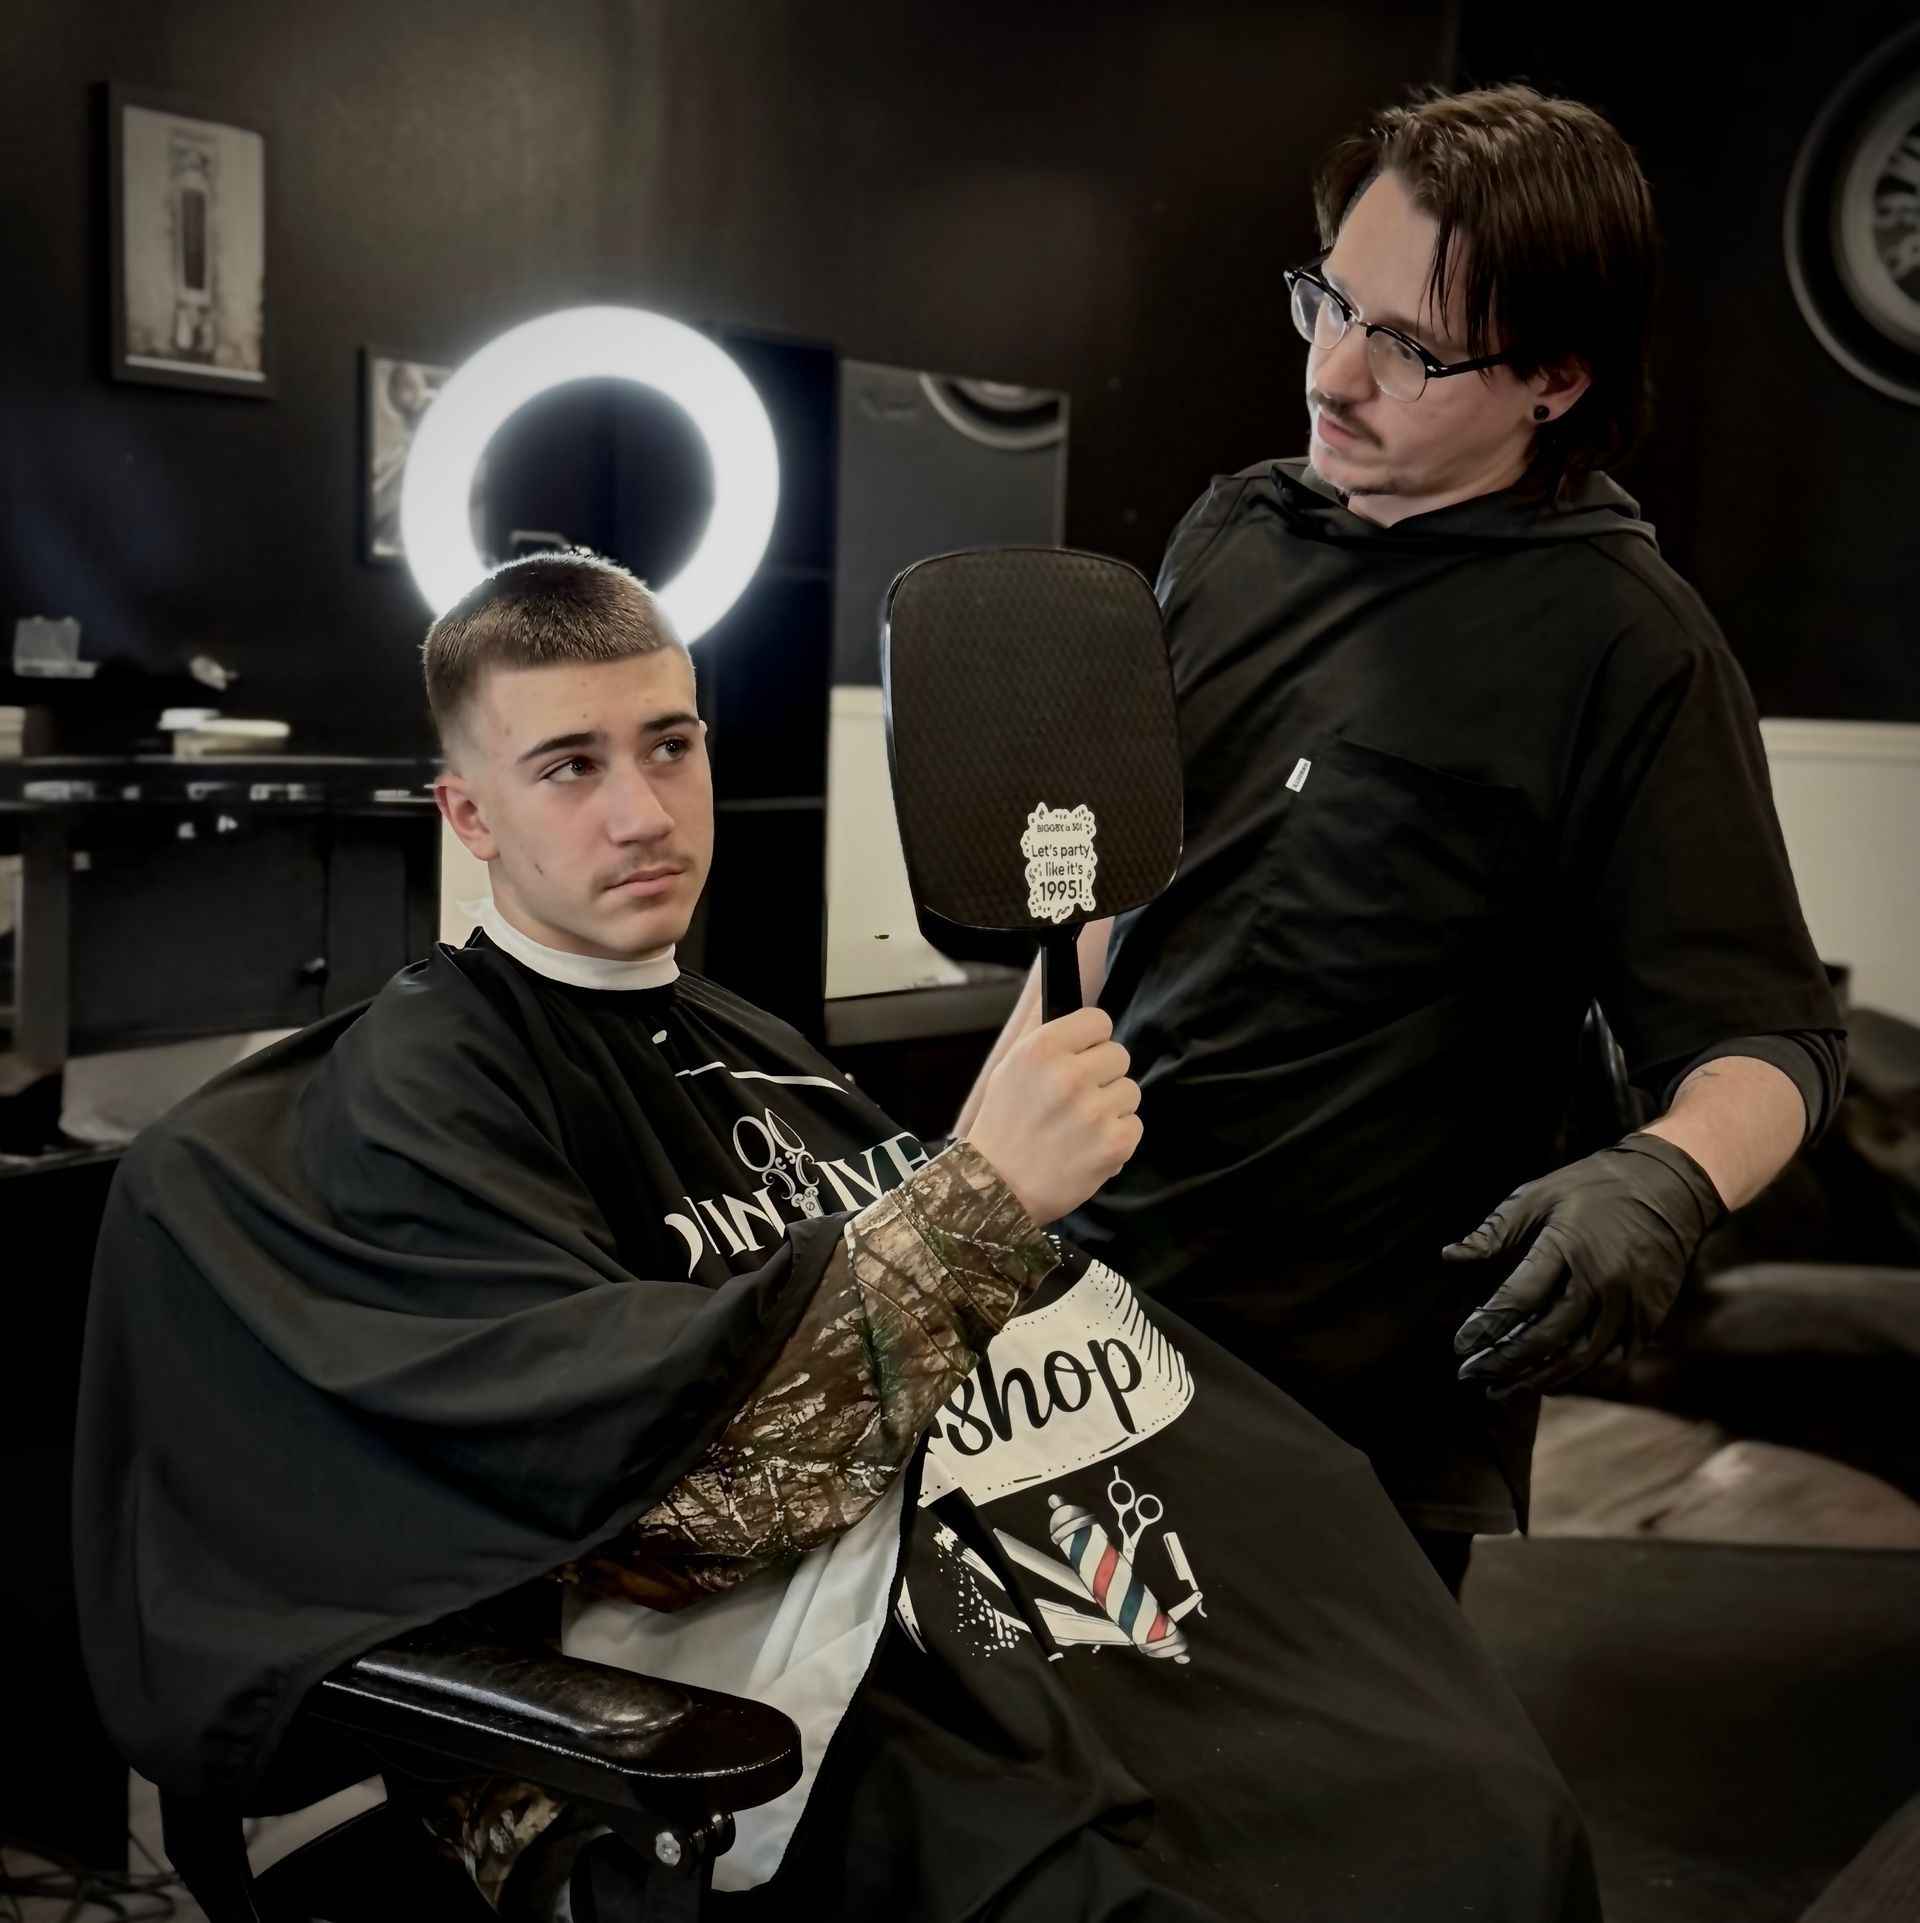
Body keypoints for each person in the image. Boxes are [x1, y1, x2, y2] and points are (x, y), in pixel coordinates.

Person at [76, 554, 1600, 1919]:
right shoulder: (428, 1099)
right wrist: (979, 1204)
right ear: (467, 813)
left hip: (989, 1611)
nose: (641, 810)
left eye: (671, 744)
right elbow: (662, 1516)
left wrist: (988, 1165)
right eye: (567, 765)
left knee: (1467, 1799)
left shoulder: (754, 1045)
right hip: (724, 1703)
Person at [961, 84, 1847, 1598]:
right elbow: (1104, 915)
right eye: (1329, 302)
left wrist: (1668, 1175)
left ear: (1555, 380)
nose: (1335, 374)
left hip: (1358, 1392)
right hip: (1101, 1305)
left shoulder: (1628, 648)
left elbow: (1768, 1035)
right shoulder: (1231, 535)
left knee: (1309, 1819)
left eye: (1412, 349)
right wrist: (968, 1203)